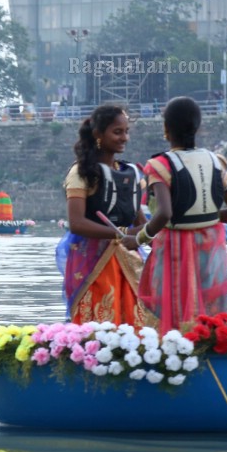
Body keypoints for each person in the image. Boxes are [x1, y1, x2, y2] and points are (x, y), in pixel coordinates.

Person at [123, 96, 227, 332]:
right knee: (211, 313)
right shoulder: (216, 162)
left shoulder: (158, 165)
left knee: (173, 315)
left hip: (176, 249)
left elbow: (164, 213)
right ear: (198, 127)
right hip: (212, 248)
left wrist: (137, 239)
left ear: (166, 129)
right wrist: (207, 215)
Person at [57, 105, 149, 326]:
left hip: (129, 259)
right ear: (98, 134)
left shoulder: (129, 173)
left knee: (136, 323)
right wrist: (123, 234)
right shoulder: (81, 173)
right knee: (98, 325)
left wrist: (150, 235)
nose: (124, 138)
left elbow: (140, 221)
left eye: (126, 131)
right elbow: (77, 223)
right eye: (117, 132)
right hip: (92, 261)